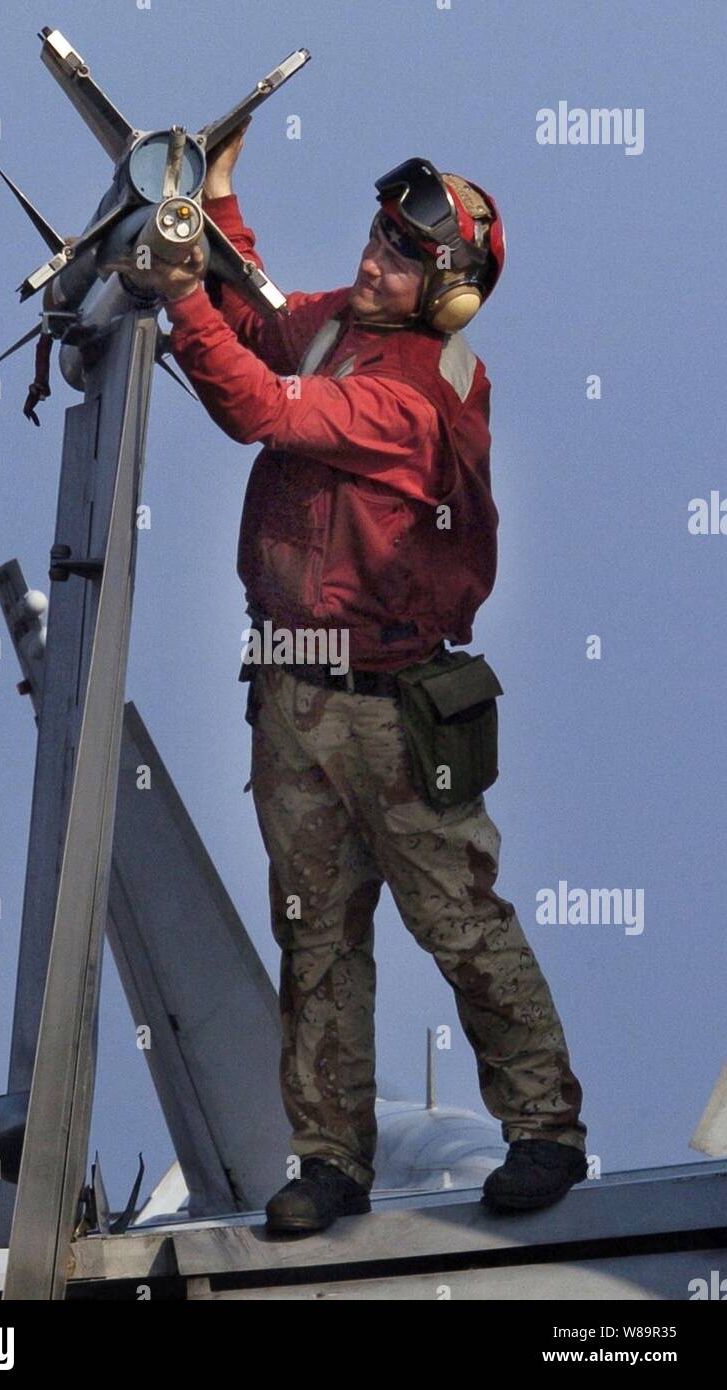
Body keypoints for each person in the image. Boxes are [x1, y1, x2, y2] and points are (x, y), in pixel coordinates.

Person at [133, 122, 588, 1232]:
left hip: (393, 712)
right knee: (315, 931)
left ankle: (544, 1135)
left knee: (460, 924)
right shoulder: (348, 321)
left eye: (400, 254)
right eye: (380, 236)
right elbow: (265, 330)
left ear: (450, 296)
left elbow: (256, 403)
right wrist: (220, 209)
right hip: (295, 693)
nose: (374, 258)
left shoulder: (419, 398)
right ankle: (330, 1160)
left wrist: (178, 293)